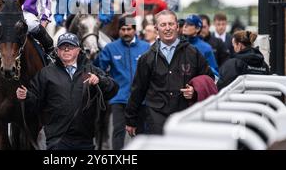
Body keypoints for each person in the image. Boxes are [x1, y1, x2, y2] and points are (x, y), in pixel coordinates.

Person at [16, 33, 118, 150]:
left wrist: (100, 80)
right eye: (62, 47)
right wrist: (26, 96)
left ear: (78, 50)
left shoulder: (91, 70)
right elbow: (36, 102)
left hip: (85, 140)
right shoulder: (45, 74)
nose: (66, 49)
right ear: (57, 51)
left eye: (71, 46)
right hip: (57, 140)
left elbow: (113, 89)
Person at [125, 10, 214, 136]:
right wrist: (131, 120)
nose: (167, 28)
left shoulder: (193, 53)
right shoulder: (147, 58)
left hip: (185, 117)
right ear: (156, 29)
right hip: (156, 119)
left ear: (177, 27)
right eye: (163, 25)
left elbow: (209, 78)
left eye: (171, 24)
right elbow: (138, 90)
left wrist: (195, 91)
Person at [98, 16, 150, 150]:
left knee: (141, 134)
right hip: (119, 98)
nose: (126, 32)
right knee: (118, 132)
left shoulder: (146, 47)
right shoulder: (110, 48)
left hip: (141, 99)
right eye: (123, 29)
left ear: (135, 30)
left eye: (129, 29)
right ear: (119, 30)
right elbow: (99, 68)